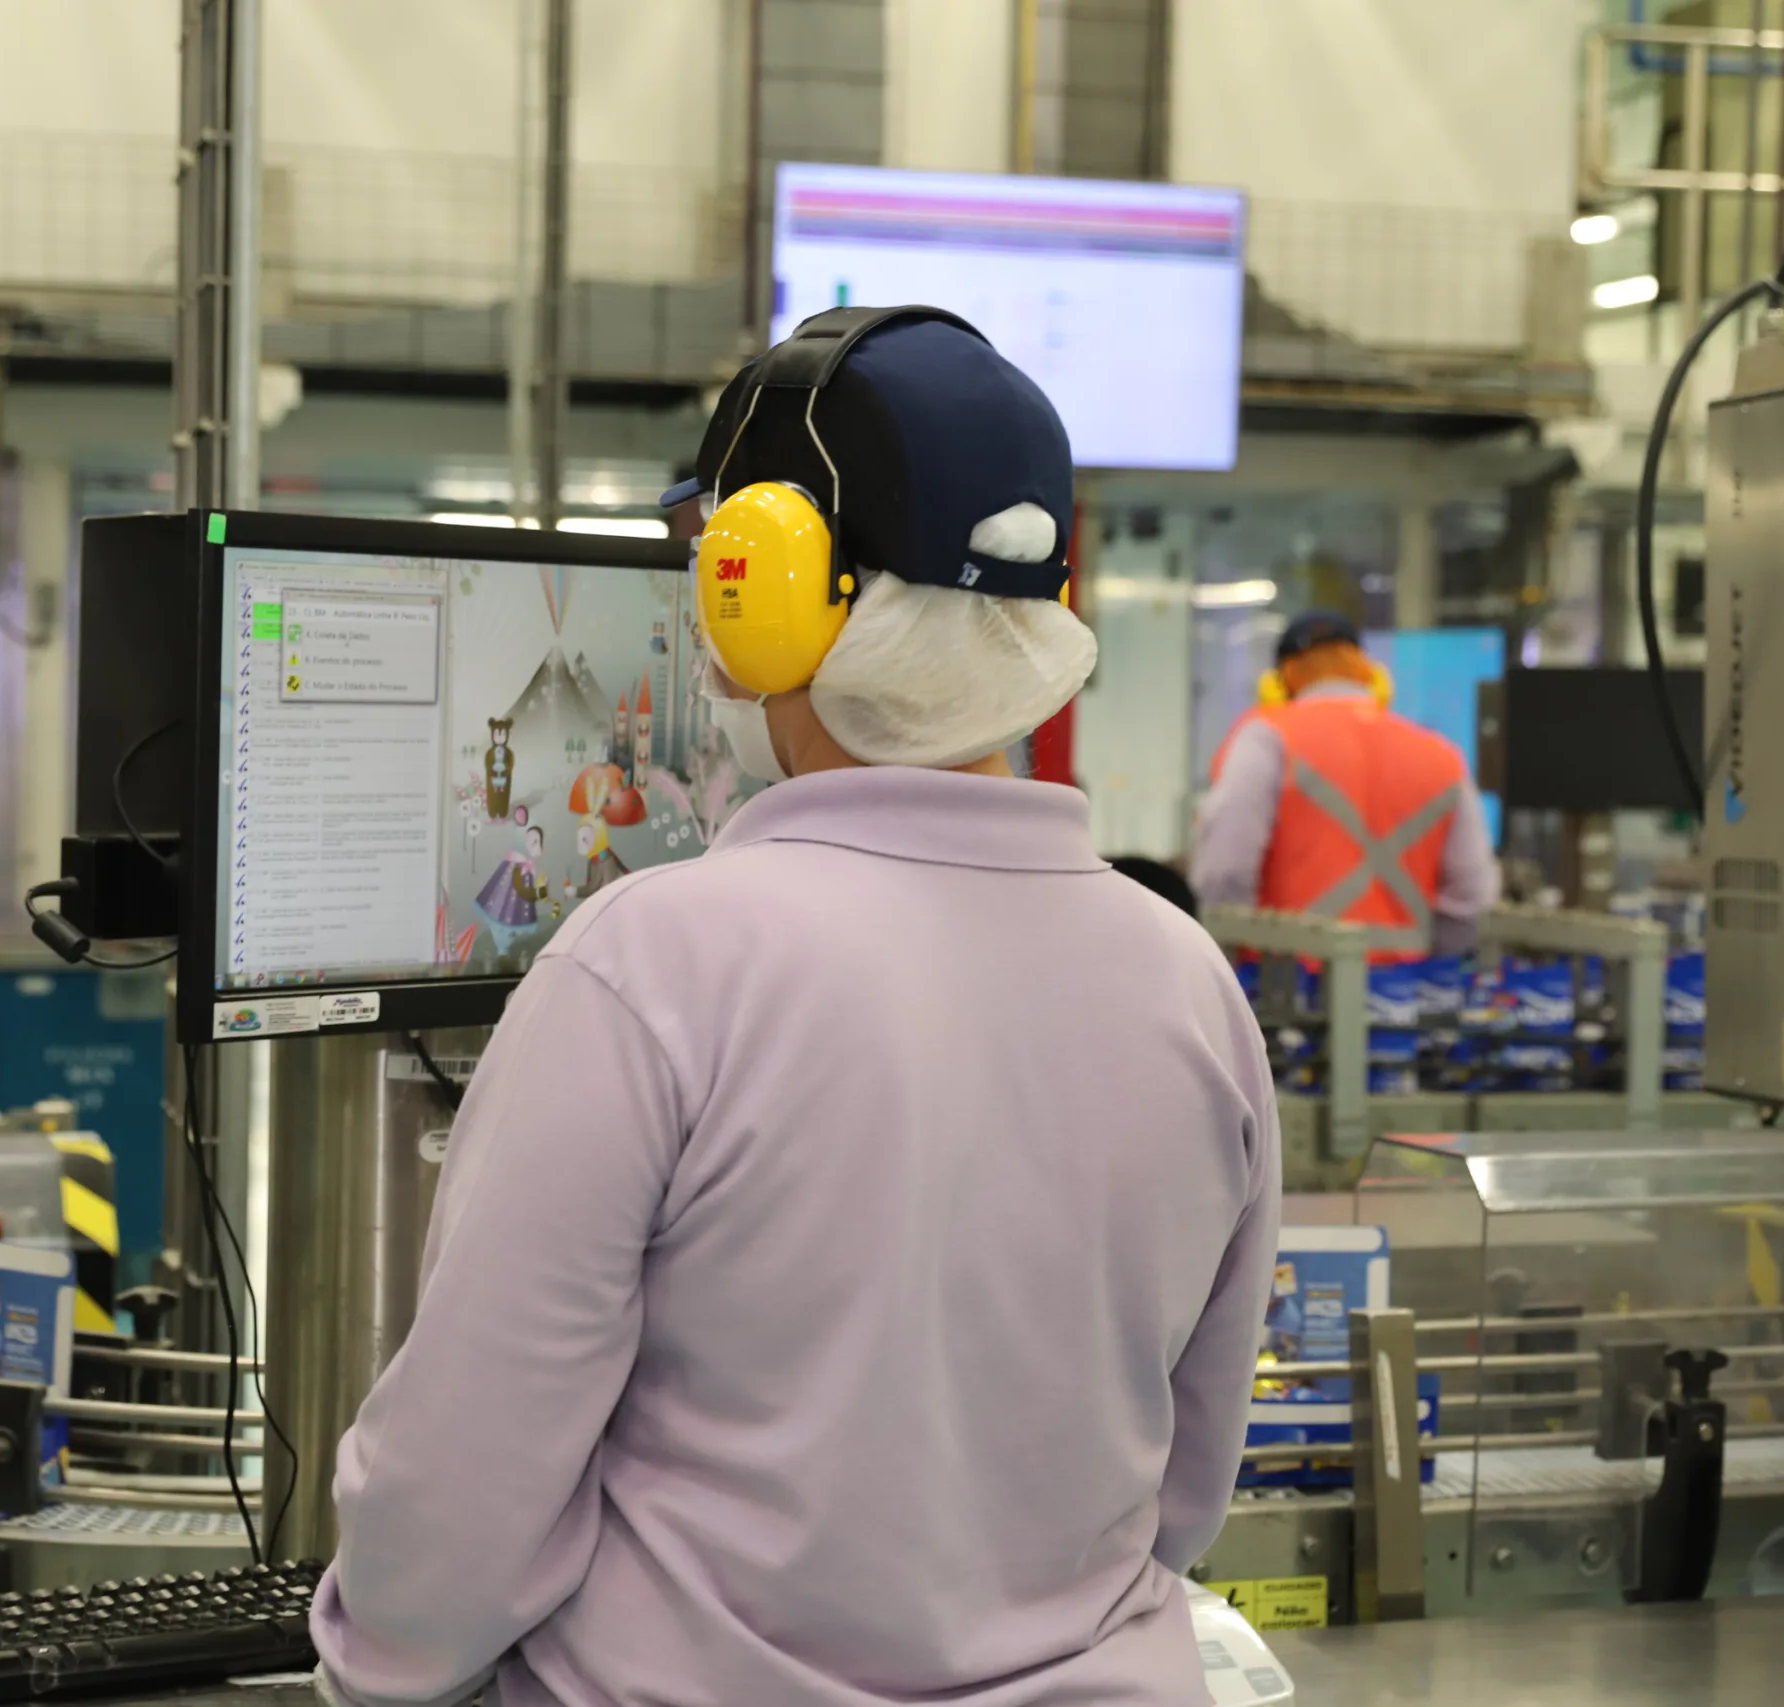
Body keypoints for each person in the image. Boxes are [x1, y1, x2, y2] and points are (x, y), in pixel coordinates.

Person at [309, 308, 1282, 1707]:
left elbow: (457, 1506)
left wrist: (368, 1660)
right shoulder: (1191, 982)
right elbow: (1182, 1494)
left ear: (762, 587)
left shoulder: (650, 966)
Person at [1191, 610, 1499, 954]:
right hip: (1405, 993)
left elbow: (1224, 873)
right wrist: (1427, 972)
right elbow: (1473, 898)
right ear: (1371, 675)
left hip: (1285, 990)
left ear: (1280, 682)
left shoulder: (1269, 738)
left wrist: (1227, 964)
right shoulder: (1443, 756)